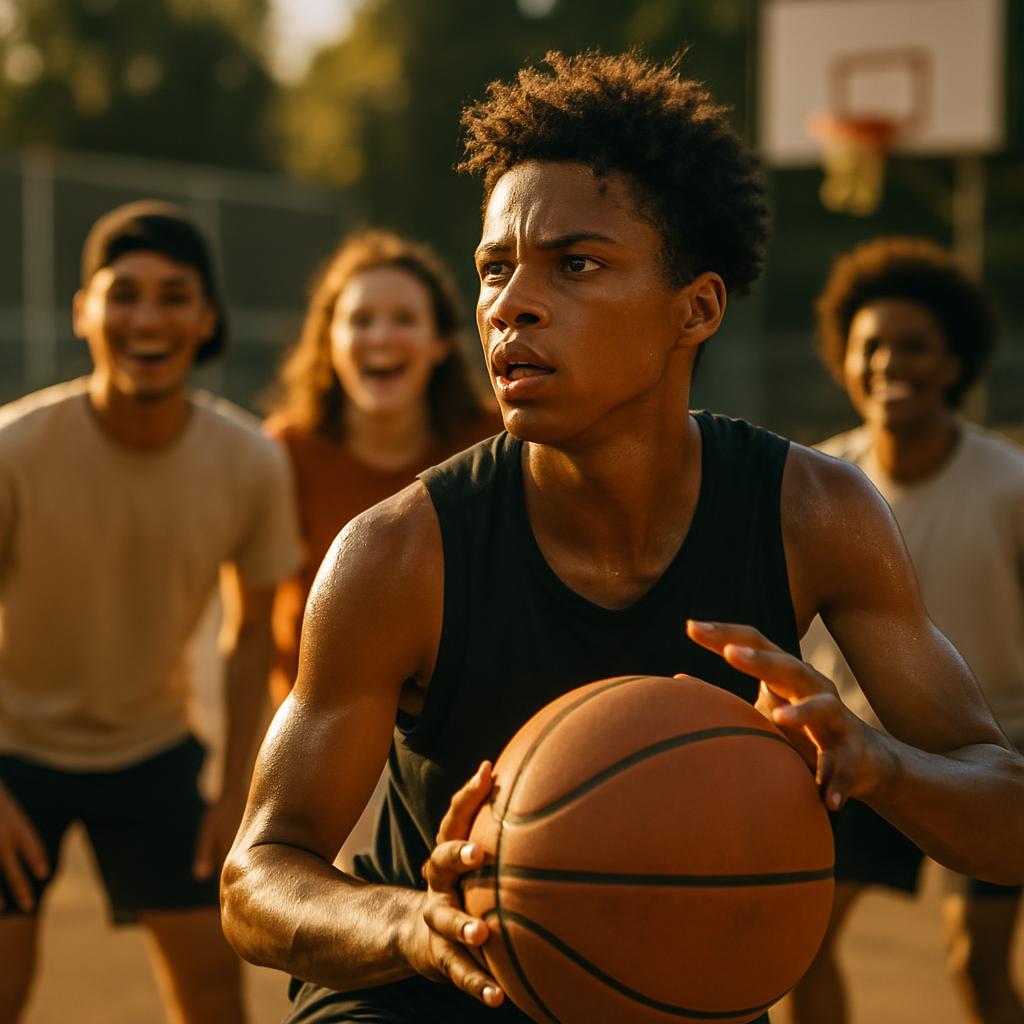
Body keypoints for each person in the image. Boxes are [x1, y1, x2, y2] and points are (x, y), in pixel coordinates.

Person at [220, 52, 1024, 1024]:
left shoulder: (812, 511)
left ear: (696, 308)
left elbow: (1004, 816)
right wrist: (408, 924)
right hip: (426, 989)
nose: (509, 301)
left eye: (576, 264)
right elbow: (256, 876)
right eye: (492, 267)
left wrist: (875, 760)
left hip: (669, 976)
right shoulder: (399, 552)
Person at [0, 201, 301, 1023]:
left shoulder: (249, 461)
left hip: (152, 748)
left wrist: (236, 791)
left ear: (205, 319)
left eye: (174, 296)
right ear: (84, 311)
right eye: (123, 293)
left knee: (214, 988)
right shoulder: (14, 450)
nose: (148, 317)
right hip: (10, 754)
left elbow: (249, 640)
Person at [792, 238, 1024, 1024]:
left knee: (976, 961)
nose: (891, 362)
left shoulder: (1010, 487)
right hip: (855, 747)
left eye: (915, 345)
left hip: (991, 750)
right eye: (872, 346)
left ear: (954, 363)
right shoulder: (819, 480)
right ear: (843, 361)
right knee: (799, 953)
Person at [264, 230, 501, 708]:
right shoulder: (284, 450)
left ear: (439, 343)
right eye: (360, 320)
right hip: (322, 720)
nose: (381, 337)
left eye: (404, 319)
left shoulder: (495, 442)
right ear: (328, 342)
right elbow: (251, 621)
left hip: (457, 718)